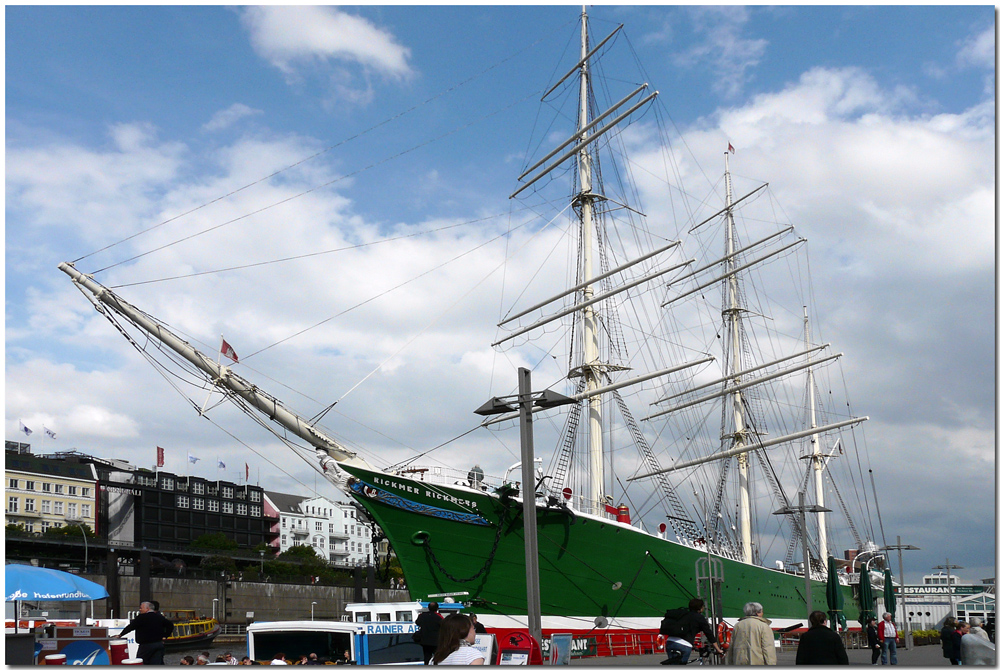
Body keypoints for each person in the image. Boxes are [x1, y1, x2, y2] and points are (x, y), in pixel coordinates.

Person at [659, 598, 724, 664]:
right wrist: (718, 649)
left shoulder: (682, 614)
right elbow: (709, 634)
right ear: (700, 608)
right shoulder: (699, 617)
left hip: (670, 642)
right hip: (684, 645)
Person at [115, 601, 174, 665]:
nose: (140, 610)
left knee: (141, 663)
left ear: (147, 609)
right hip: (158, 644)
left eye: (141, 608)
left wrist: (120, 634)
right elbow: (170, 625)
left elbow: (131, 627)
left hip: (146, 645)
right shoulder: (159, 617)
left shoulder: (141, 617)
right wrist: (165, 636)